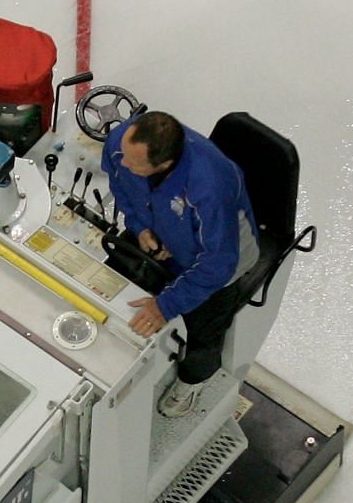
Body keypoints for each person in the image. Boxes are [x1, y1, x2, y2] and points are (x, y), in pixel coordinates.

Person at [100, 111, 260, 417]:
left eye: (135, 164)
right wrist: (140, 227)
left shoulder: (210, 186)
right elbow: (119, 182)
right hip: (164, 235)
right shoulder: (123, 142)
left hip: (221, 262)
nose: (123, 162)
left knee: (204, 330)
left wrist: (164, 307)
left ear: (163, 165)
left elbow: (218, 264)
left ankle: (195, 378)